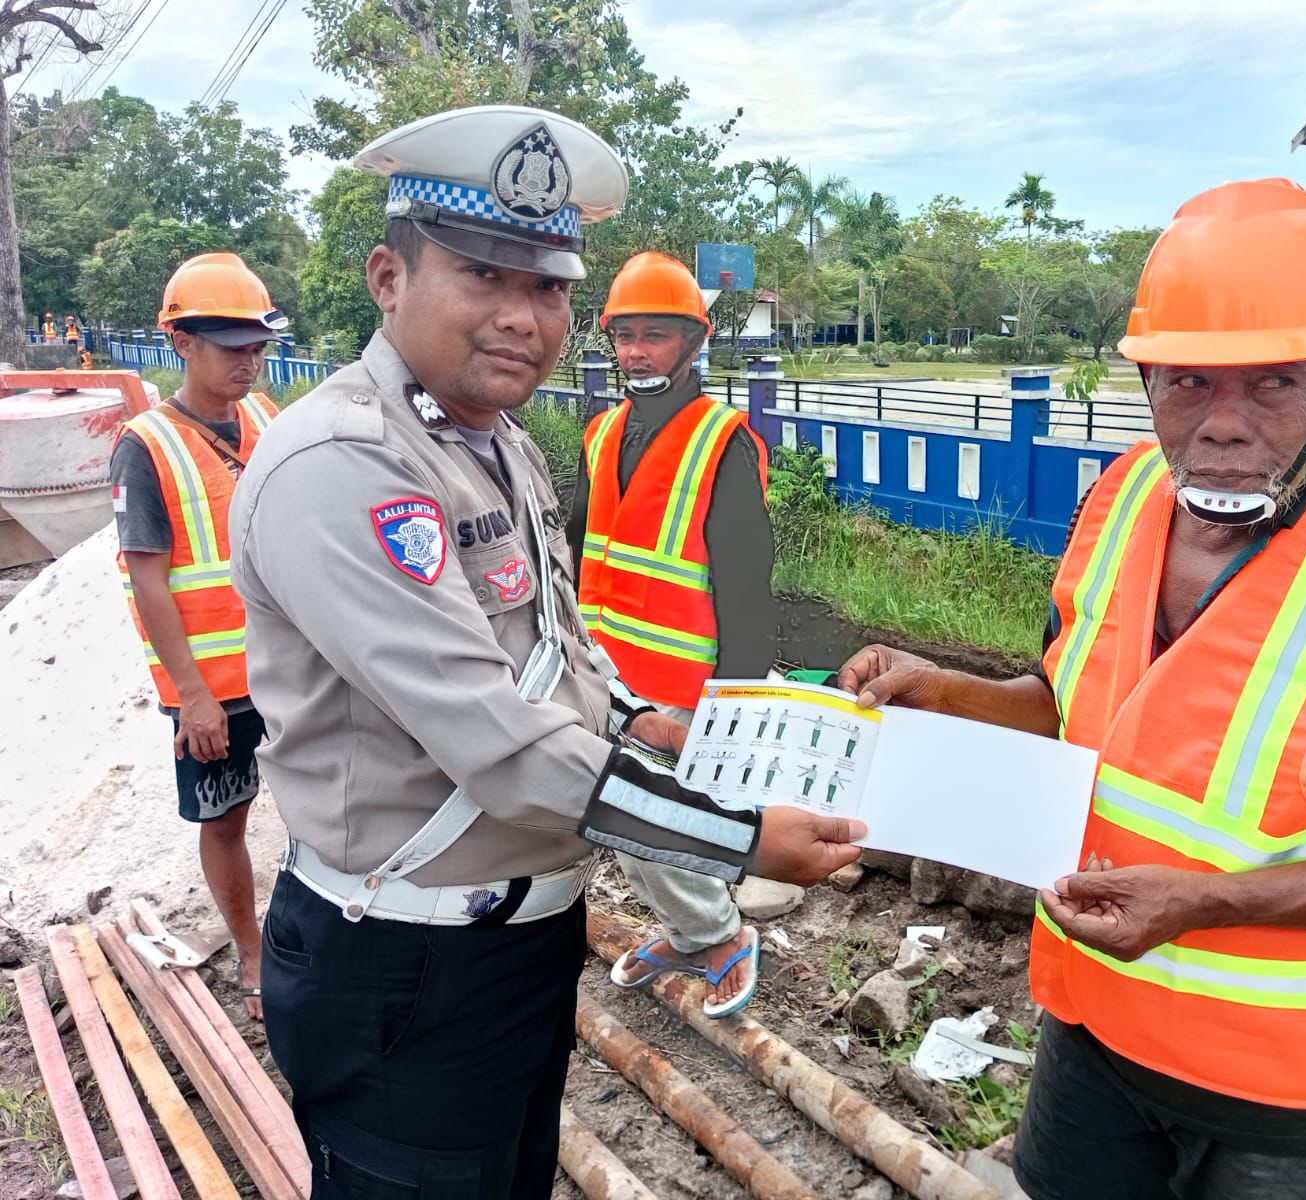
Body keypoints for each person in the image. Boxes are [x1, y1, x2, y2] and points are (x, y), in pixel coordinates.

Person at [839, 179, 1306, 1200]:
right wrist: (944, 690)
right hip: (1090, 1032)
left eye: (1273, 383)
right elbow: (1076, 706)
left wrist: (1215, 902)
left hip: (1281, 1093)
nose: (1222, 426)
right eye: (1188, 383)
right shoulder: (1118, 500)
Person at [229, 105, 863, 1200]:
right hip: (405, 960)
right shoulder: (343, 463)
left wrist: (644, 721)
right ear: (389, 277)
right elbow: (506, 745)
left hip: (523, 940)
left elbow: (559, 647)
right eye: (483, 274)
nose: (524, 316)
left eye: (550, 286)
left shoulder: (499, 444)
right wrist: (742, 838)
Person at [569, 249, 777, 1019]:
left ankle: (720, 936)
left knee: (652, 823)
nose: (636, 353)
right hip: (605, 673)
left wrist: (734, 703)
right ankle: (693, 932)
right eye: (625, 336)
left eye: (654, 336)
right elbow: (576, 548)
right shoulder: (601, 434)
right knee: (626, 825)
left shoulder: (723, 443)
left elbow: (747, 590)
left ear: (693, 343)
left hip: (680, 686)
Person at [111, 252, 288, 1022]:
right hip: (214, 689)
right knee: (227, 819)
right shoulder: (145, 446)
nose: (249, 362)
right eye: (232, 347)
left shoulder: (267, 420)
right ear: (181, 342)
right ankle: (252, 952)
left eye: (258, 346)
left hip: (291, 671)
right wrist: (192, 697)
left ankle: (311, 940)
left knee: (323, 808)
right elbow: (148, 580)